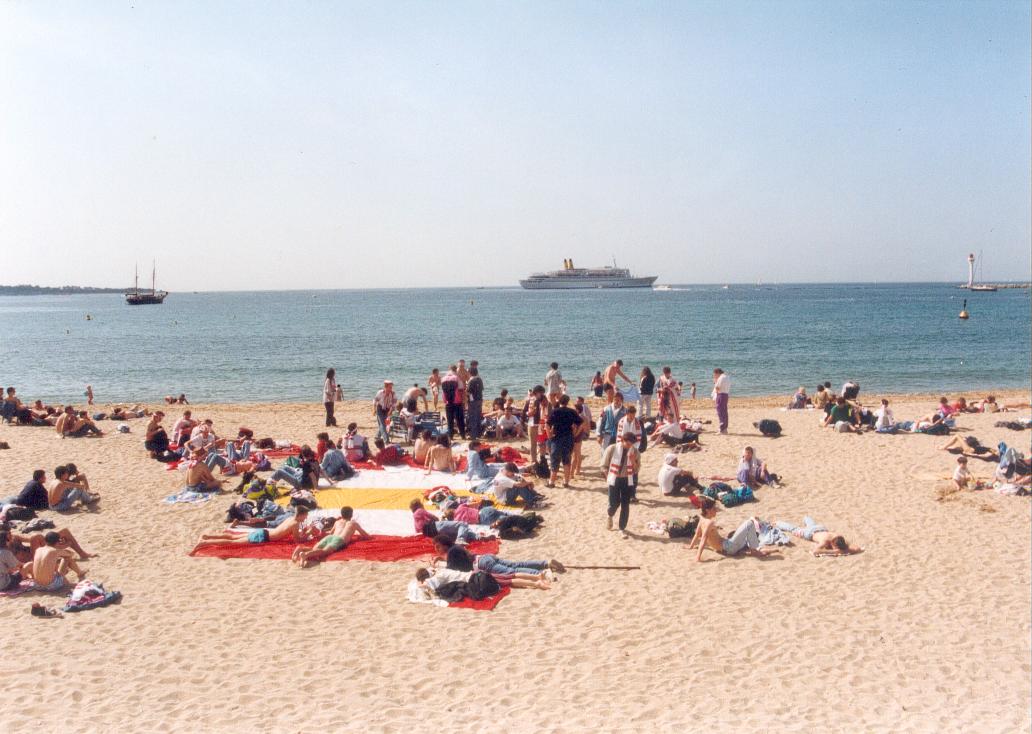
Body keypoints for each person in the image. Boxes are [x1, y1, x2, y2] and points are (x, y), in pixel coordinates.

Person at [687, 498, 779, 561]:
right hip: (729, 548)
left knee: (743, 537)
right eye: (714, 508)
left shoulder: (702, 519)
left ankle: (759, 549)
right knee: (750, 523)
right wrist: (698, 557)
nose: (716, 510)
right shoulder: (709, 523)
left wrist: (690, 547)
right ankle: (755, 551)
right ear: (708, 510)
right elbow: (703, 538)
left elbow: (697, 535)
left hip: (726, 547)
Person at [292, 507, 370, 567]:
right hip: (339, 540)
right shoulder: (353, 523)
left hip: (329, 537)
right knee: (324, 551)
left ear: (342, 515)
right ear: (351, 515)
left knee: (315, 549)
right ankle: (305, 554)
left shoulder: (337, 522)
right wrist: (361, 537)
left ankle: (301, 548)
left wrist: (320, 533)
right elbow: (366, 536)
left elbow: (330, 533)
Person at [196, 506, 314, 546]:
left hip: (264, 532)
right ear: (301, 515)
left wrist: (303, 530)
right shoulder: (295, 523)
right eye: (306, 515)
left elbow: (289, 531)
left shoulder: (290, 519)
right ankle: (204, 542)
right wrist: (308, 533)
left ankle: (207, 536)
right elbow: (298, 540)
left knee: (233, 537)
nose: (306, 517)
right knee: (233, 542)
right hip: (262, 537)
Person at [602, 432, 639, 538]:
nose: (629, 446)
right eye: (627, 443)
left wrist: (633, 461)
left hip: (627, 480)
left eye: (631, 444)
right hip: (614, 479)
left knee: (625, 505)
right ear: (622, 441)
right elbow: (604, 465)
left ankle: (622, 528)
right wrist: (607, 476)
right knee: (614, 503)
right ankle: (610, 515)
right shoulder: (612, 449)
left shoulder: (635, 452)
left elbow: (636, 469)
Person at [546, 394, 583, 488]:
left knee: (555, 460)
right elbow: (581, 423)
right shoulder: (572, 412)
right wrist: (576, 433)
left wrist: (549, 435)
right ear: (567, 402)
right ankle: (566, 482)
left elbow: (547, 424)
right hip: (568, 437)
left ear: (559, 401)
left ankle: (551, 482)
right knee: (566, 460)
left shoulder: (555, 411)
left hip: (557, 438)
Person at [775, 517, 863, 556]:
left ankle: (806, 517)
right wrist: (833, 552)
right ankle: (778, 523)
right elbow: (815, 551)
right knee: (794, 529)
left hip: (820, 528)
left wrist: (840, 550)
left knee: (811, 524)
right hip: (810, 533)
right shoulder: (825, 541)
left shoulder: (839, 537)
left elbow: (857, 548)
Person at [524, 385, 549, 463]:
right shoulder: (538, 400)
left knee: (535, 443)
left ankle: (535, 460)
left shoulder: (534, 400)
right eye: (541, 393)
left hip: (535, 424)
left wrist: (527, 413)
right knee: (539, 443)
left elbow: (530, 412)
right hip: (537, 424)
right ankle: (537, 459)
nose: (542, 394)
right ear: (538, 392)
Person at [440, 366, 466, 439]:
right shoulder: (456, 378)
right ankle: (462, 435)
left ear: (449, 370)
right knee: (460, 419)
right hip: (457, 401)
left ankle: (450, 435)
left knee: (449, 420)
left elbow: (443, 390)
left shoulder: (443, 378)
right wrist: (463, 400)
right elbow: (461, 389)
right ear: (455, 370)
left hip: (448, 402)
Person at [572, 396, 592, 477]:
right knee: (578, 453)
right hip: (581, 435)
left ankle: (572, 473)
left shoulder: (579, 417)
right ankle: (577, 470)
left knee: (575, 455)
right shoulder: (583, 417)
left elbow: (578, 429)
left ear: (577, 410)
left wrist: (573, 436)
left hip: (578, 436)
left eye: (574, 409)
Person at [466, 367, 484, 440]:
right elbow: (482, 389)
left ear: (470, 372)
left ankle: (473, 435)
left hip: (473, 401)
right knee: (478, 417)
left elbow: (468, 391)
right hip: (479, 400)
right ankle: (479, 434)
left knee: (472, 417)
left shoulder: (471, 380)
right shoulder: (479, 379)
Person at [712, 368, 730, 434]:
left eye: (714, 374)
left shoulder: (721, 377)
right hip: (725, 395)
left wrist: (715, 381)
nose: (714, 376)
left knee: (720, 412)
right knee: (724, 412)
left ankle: (722, 429)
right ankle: (724, 428)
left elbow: (717, 387)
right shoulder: (727, 377)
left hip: (721, 395)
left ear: (717, 373)